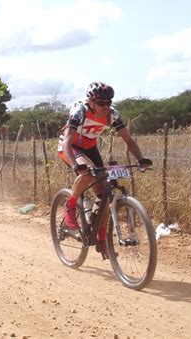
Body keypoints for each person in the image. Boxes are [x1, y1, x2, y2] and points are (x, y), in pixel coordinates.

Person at [58, 82, 152, 259]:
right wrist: (75, 165)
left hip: (90, 147)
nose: (106, 107)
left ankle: (102, 238)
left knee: (104, 192)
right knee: (87, 173)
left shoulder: (112, 114)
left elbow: (128, 140)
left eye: (109, 102)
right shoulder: (80, 110)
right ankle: (70, 206)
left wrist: (141, 159)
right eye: (101, 103)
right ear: (91, 101)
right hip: (71, 147)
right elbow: (67, 141)